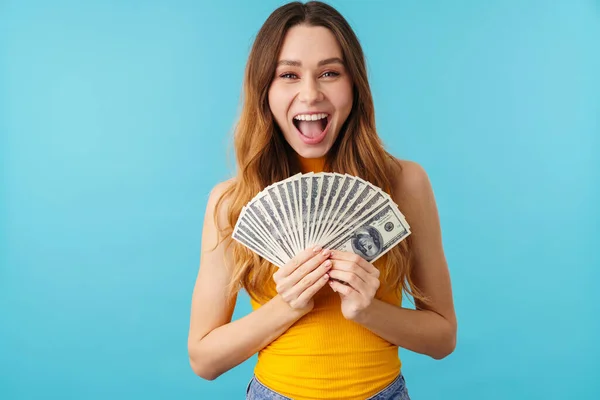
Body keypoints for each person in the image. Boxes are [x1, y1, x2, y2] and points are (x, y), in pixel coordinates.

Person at [187, 2, 457, 399]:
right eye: (289, 75)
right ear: (265, 89)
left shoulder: (404, 184)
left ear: (354, 85)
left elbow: (443, 337)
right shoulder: (232, 201)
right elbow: (204, 360)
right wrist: (287, 306)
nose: (310, 93)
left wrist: (368, 311)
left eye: (330, 73)